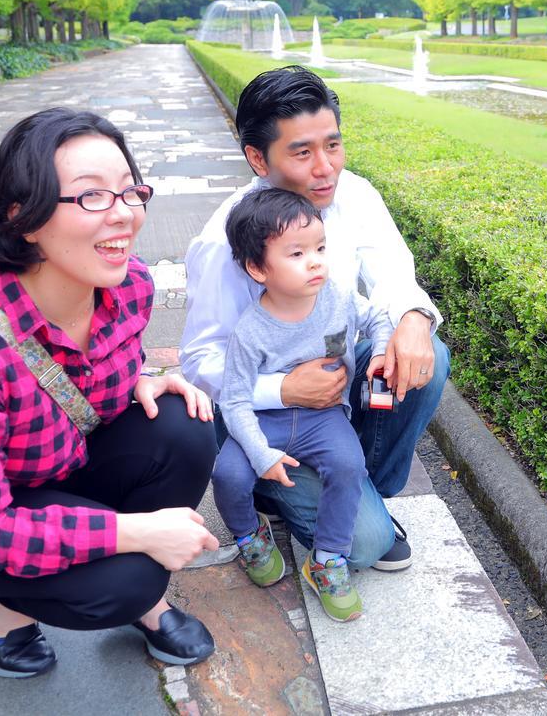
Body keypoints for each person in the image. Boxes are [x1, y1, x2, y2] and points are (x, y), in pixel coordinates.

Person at [0, 108, 221, 679]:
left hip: (53, 467)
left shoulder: (128, 284)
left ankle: (106, 570)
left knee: (184, 424)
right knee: (131, 578)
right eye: (92, 198)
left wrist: (137, 378)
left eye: (129, 192)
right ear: (24, 218)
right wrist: (134, 532)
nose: (123, 216)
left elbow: (87, 379)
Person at [181, 65, 450, 573]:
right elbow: (199, 360)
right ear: (258, 158)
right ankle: (277, 491)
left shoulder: (353, 194)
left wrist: (413, 316)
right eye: (302, 152)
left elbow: (394, 274)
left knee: (428, 352)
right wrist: (283, 390)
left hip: (332, 401)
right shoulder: (225, 244)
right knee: (367, 547)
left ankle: (360, 488)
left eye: (333, 145)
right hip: (262, 416)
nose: (326, 168)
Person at [212, 188, 392, 622]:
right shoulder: (251, 331)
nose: (315, 261)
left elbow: (378, 317)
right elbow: (234, 400)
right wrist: (261, 454)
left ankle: (327, 560)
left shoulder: (339, 298)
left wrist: (383, 348)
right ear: (258, 268)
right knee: (228, 472)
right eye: (297, 253)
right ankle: (249, 537)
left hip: (323, 417)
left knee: (348, 465)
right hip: (263, 421)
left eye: (320, 248)